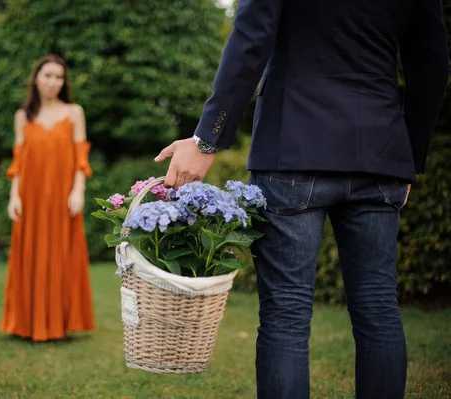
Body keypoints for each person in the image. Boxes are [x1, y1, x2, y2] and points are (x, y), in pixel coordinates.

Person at [155, 0, 448, 398]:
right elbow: (431, 62)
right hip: (381, 155)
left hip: (292, 149)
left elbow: (251, 40)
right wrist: (408, 157)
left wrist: (207, 139)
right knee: (379, 311)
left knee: (286, 316)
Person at [0, 54, 94, 341]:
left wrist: (78, 190)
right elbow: (19, 162)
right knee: (29, 254)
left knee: (61, 255)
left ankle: (59, 322)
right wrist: (13, 196)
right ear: (36, 79)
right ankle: (28, 323)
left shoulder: (74, 112)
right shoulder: (22, 116)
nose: (53, 82)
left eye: (59, 77)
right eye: (48, 75)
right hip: (31, 197)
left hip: (62, 198)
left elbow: (81, 157)